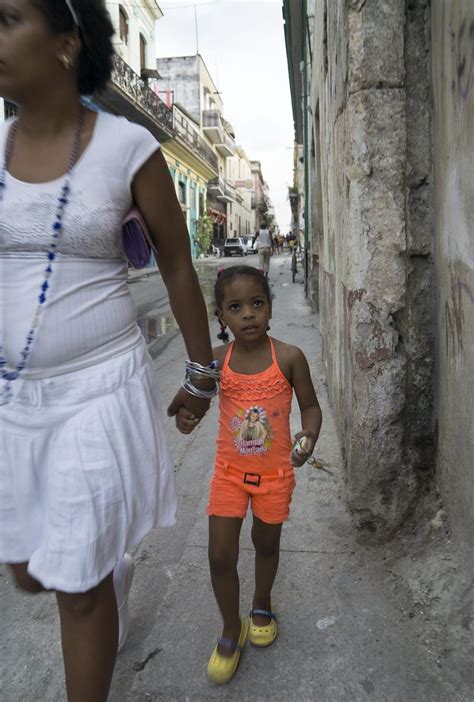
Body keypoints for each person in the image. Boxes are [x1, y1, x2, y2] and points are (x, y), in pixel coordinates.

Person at [0, 2, 216, 700]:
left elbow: (179, 265)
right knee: (29, 571)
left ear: (66, 44)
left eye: (7, 18)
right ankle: (108, 570)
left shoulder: (129, 148)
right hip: (15, 399)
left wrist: (201, 371)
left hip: (99, 386)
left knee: (79, 589)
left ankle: (99, 582)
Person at [174, 265, 322, 684]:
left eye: (257, 303)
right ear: (221, 318)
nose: (248, 315)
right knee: (220, 554)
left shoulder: (290, 358)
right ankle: (229, 627)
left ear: (270, 308)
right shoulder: (217, 362)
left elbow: (310, 407)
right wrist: (186, 416)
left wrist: (307, 436)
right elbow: (193, 401)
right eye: (236, 307)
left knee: (266, 544)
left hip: (275, 476)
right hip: (229, 475)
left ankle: (261, 601)